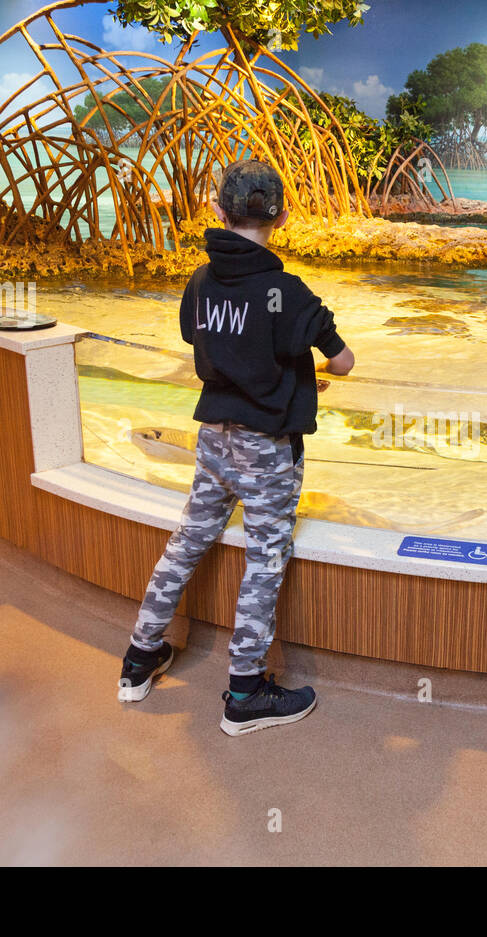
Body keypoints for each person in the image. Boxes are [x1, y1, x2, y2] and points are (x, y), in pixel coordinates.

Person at [117, 158, 355, 737]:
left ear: (218, 213)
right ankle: (244, 694)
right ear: (283, 215)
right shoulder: (287, 291)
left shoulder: (199, 282)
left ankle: (138, 661)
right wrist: (298, 374)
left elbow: (215, 343)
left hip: (214, 441)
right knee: (265, 561)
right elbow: (344, 361)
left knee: (186, 543)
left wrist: (281, 373)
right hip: (267, 451)